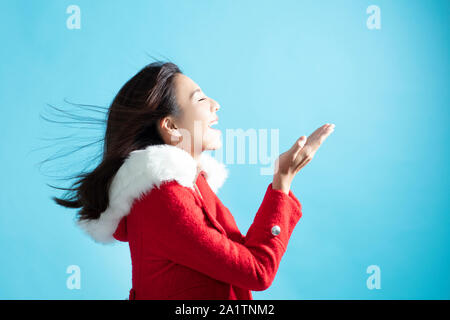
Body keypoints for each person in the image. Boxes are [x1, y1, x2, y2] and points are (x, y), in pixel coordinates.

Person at [53, 61, 335, 299]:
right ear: (172, 127)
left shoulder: (191, 185)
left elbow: (242, 258)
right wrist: (281, 183)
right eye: (200, 99)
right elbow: (257, 271)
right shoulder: (162, 199)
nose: (215, 105)